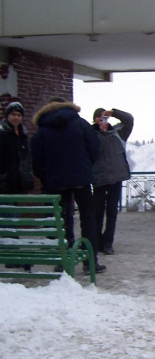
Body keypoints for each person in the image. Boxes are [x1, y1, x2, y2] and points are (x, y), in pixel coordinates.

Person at [31, 97, 106, 274]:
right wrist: (85, 167)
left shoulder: (42, 128)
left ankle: (63, 260)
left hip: (55, 182)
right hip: (81, 179)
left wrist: (46, 178)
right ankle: (90, 262)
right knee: (88, 218)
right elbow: (95, 148)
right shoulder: (80, 123)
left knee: (62, 220)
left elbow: (36, 158)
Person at [92, 108, 134, 255]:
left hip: (115, 178)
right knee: (97, 213)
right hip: (98, 178)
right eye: (98, 117)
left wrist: (114, 112)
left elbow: (129, 120)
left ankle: (108, 243)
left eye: (103, 117)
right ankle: (96, 242)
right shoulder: (90, 134)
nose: (101, 120)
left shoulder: (118, 132)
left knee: (111, 213)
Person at [1, 101, 35, 271]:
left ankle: (12, 252)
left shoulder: (22, 134)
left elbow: (26, 159)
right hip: (5, 185)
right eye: (13, 114)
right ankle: (10, 254)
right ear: (7, 116)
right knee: (7, 220)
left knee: (13, 219)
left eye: (19, 115)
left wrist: (27, 178)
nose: (16, 117)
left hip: (18, 184)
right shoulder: (2, 134)